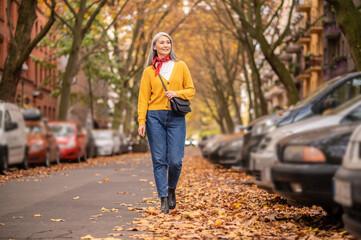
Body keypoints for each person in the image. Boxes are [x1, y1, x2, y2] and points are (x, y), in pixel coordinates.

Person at [137, 32, 195, 213]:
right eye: (161, 42)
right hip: (154, 117)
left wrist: (177, 93)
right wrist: (141, 121)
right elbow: (143, 98)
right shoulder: (148, 71)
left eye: (168, 42)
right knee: (159, 160)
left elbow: (191, 90)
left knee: (176, 161)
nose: (165, 45)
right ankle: (162, 198)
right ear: (154, 47)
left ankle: (171, 189)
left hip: (176, 117)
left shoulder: (181, 66)